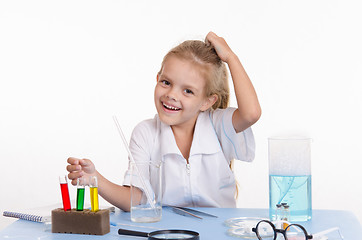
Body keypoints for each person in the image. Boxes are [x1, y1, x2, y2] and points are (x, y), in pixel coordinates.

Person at [67, 31, 261, 211]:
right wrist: (95, 179)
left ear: (207, 101)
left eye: (188, 91)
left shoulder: (218, 124)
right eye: (166, 82)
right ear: (157, 78)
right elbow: (135, 198)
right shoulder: (145, 133)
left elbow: (251, 113)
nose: (172, 95)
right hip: (170, 232)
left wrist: (231, 58)